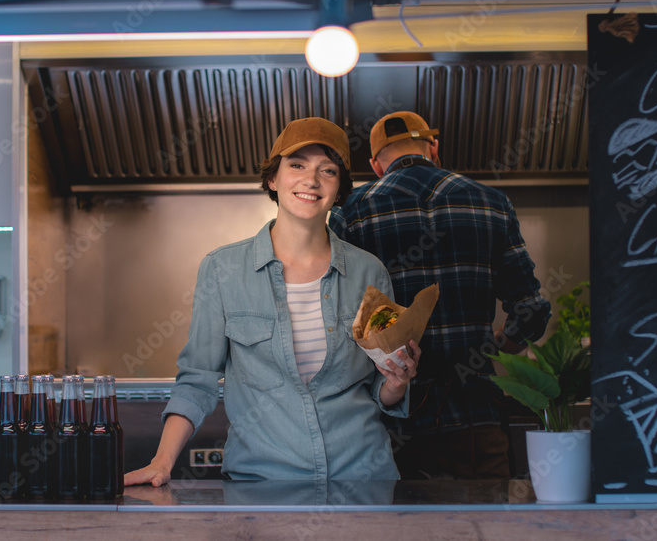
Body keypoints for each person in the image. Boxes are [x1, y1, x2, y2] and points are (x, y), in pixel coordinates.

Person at [125, 117, 419, 486]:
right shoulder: (222, 269)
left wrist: (396, 382)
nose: (311, 180)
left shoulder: (368, 273)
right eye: (297, 165)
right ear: (272, 179)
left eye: (327, 171)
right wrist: (162, 461)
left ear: (340, 190)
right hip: (261, 483)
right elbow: (197, 379)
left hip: (362, 479)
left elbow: (379, 387)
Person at [329, 111, 551, 480]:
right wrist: (498, 343)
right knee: (481, 531)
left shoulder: (350, 213)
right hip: (475, 417)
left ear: (375, 164)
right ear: (434, 147)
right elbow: (531, 311)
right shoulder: (491, 203)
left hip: (390, 425)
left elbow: (335, 322)